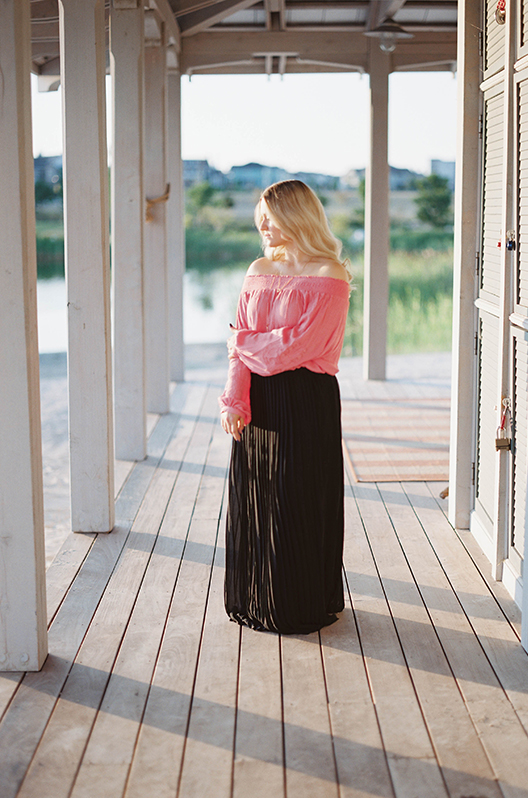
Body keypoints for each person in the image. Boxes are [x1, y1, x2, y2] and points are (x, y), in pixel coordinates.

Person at [219, 179, 351, 635]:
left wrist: (242, 337)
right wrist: (234, 400)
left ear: (296, 217)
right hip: (259, 401)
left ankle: (298, 602)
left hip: (307, 399)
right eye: (260, 220)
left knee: (298, 498)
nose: (263, 227)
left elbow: (295, 348)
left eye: (270, 219)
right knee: (259, 498)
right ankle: (260, 599)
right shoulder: (257, 269)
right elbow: (243, 352)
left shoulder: (331, 274)